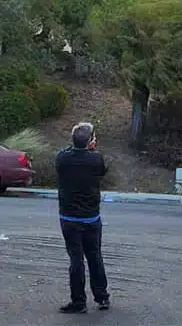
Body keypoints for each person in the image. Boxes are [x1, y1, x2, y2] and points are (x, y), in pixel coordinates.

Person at [56, 122, 109, 313]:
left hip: (69, 217)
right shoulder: (96, 159)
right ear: (91, 141)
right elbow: (102, 171)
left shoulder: (62, 158)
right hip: (91, 217)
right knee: (95, 256)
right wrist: (91, 149)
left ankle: (78, 301)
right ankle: (102, 297)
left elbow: (64, 158)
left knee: (76, 260)